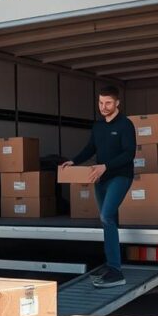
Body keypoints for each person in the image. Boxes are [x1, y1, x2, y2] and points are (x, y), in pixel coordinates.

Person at [61, 86, 136, 289]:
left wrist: (106, 166)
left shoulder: (126, 125)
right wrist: (73, 161)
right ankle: (112, 265)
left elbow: (129, 154)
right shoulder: (98, 126)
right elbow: (90, 148)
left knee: (106, 216)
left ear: (117, 103)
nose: (104, 107)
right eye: (101, 103)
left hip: (120, 176)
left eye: (108, 103)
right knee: (107, 221)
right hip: (100, 178)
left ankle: (116, 271)